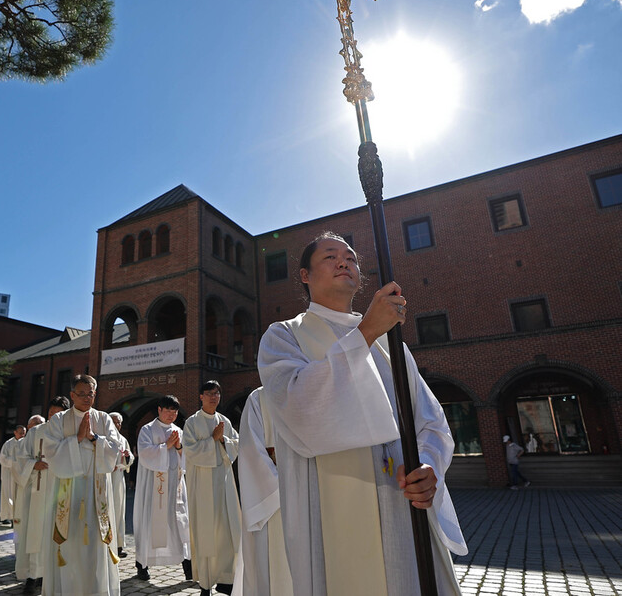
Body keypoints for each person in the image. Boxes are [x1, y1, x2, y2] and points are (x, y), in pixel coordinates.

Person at [257, 232, 467, 596]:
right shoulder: (284, 336)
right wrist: (366, 331)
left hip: (405, 506)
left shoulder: (391, 343)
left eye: (351, 257)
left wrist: (429, 465)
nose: (344, 262)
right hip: (332, 517)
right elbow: (299, 407)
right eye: (330, 256)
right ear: (304, 275)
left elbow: (430, 420)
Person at [40, 375, 124, 596]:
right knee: (71, 542)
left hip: (97, 493)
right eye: (82, 394)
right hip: (69, 492)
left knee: (96, 543)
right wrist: (76, 439)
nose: (87, 398)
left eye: (91, 394)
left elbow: (116, 449)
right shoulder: (58, 421)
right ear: (72, 395)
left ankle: (96, 590)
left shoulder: (103, 419)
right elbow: (51, 453)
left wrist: (94, 437)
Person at [231, 387, 292, 596]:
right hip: (273, 499)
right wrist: (284, 487)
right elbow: (250, 451)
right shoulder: (259, 398)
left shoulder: (319, 385)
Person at [183, 381, 240, 596]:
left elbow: (236, 445)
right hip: (202, 483)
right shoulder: (192, 422)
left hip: (223, 481)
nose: (214, 397)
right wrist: (212, 440)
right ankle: (206, 583)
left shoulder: (224, 421)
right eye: (209, 393)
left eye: (217, 393)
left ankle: (226, 579)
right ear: (200, 397)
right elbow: (190, 451)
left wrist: (223, 440)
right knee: (206, 531)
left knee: (226, 530)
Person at [14, 397, 70, 595]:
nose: (53, 417)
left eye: (58, 413)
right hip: (37, 490)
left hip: (60, 492)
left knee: (57, 533)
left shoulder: (69, 433)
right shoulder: (36, 432)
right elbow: (20, 458)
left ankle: (52, 574)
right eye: (51, 413)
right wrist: (32, 464)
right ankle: (33, 575)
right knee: (35, 533)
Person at [133, 395, 191, 583]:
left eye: (174, 412)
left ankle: (187, 565)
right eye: (168, 411)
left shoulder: (178, 430)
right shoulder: (147, 430)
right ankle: (142, 565)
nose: (171, 415)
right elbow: (144, 453)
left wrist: (179, 446)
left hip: (174, 485)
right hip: (153, 486)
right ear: (159, 409)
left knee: (180, 522)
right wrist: (166, 446)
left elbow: (186, 457)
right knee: (149, 522)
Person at [109, 412, 134, 559]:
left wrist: (126, 457)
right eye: (113, 421)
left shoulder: (122, 439)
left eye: (118, 422)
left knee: (119, 511)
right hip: (104, 477)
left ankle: (118, 545)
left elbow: (130, 458)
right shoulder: (102, 437)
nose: (116, 424)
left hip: (117, 477)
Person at [0, 425, 26, 524]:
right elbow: (2, 458)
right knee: (7, 494)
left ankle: (17, 517)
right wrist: (15, 462)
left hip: (21, 474)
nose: (22, 435)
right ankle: (6, 516)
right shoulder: (8, 444)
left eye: (24, 433)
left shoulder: (26, 443)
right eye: (20, 433)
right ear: (15, 432)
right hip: (9, 474)